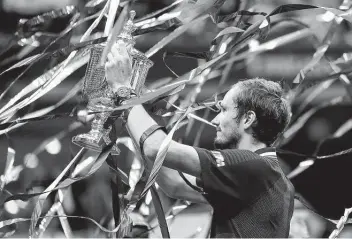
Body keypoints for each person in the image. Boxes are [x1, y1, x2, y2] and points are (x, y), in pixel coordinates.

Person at [104, 41, 295, 238]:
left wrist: (123, 91)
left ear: (248, 119)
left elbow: (155, 148)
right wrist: (139, 111)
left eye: (223, 109)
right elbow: (173, 183)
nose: (214, 120)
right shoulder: (260, 176)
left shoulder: (252, 166)